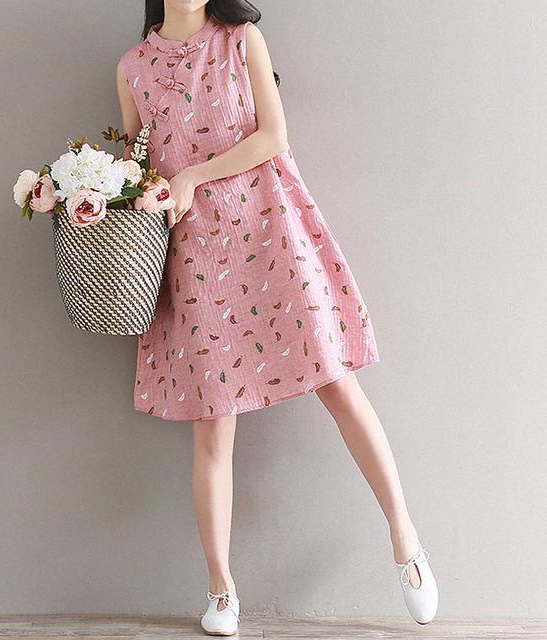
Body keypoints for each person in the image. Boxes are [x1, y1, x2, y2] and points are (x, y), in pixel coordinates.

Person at [117, 0, 438, 634]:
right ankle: (221, 589)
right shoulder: (133, 67)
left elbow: (272, 136)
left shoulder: (241, 40)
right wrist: (117, 192)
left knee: (338, 383)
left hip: (270, 231)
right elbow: (136, 168)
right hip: (195, 254)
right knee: (213, 424)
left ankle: (406, 538)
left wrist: (192, 175)